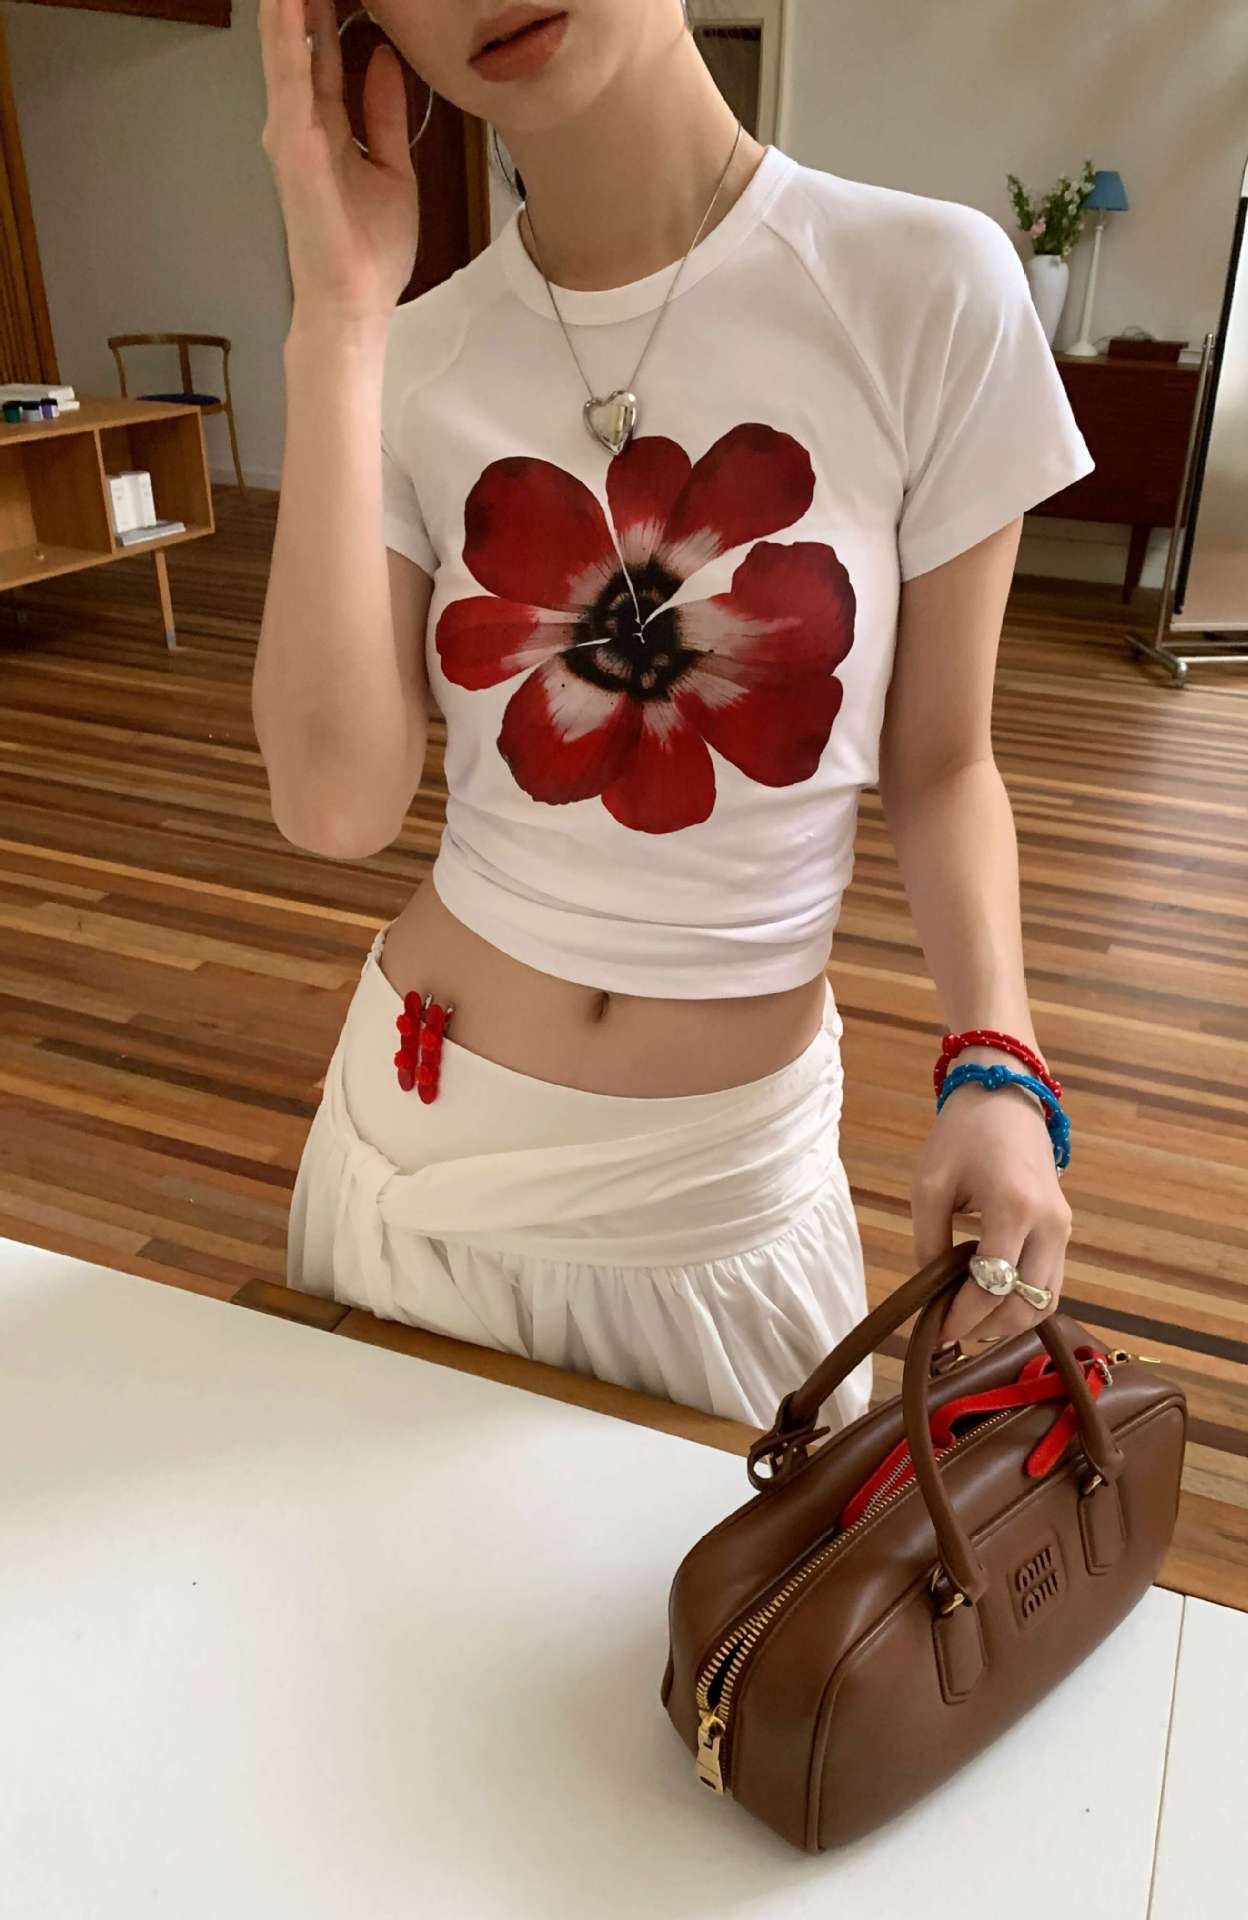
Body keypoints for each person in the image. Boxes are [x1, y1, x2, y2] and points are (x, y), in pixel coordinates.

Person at [253, 0, 1095, 1445]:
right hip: (411, 1161)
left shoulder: (927, 287)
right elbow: (334, 808)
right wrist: (337, 320)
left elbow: (946, 762)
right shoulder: (412, 355)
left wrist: (998, 1060)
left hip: (720, 1192)